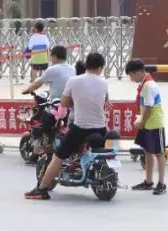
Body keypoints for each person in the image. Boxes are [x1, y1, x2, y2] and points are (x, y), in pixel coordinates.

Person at [25, 51, 110, 200]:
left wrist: (76, 102)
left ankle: (42, 189)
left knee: (58, 156)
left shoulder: (74, 81)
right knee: (98, 152)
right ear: (100, 68)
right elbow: (104, 101)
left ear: (86, 65)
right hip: (101, 128)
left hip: (80, 128)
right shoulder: (104, 83)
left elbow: (64, 103)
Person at [126, 59, 167, 195]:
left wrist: (142, 122)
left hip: (154, 123)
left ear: (138, 73)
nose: (131, 79)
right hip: (148, 122)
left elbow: (149, 108)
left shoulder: (148, 85)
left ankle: (161, 183)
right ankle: (149, 181)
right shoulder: (145, 84)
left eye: (130, 75)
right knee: (148, 151)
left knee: (159, 153)